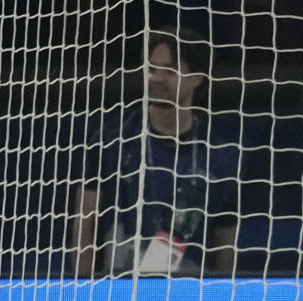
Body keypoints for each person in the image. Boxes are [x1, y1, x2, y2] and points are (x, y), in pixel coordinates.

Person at [73, 26, 240, 277]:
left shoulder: (220, 156)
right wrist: (81, 289)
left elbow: (226, 243)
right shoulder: (112, 139)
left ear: (196, 78)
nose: (156, 78)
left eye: (170, 70)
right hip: (120, 293)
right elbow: (85, 224)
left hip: (190, 296)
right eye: (152, 68)